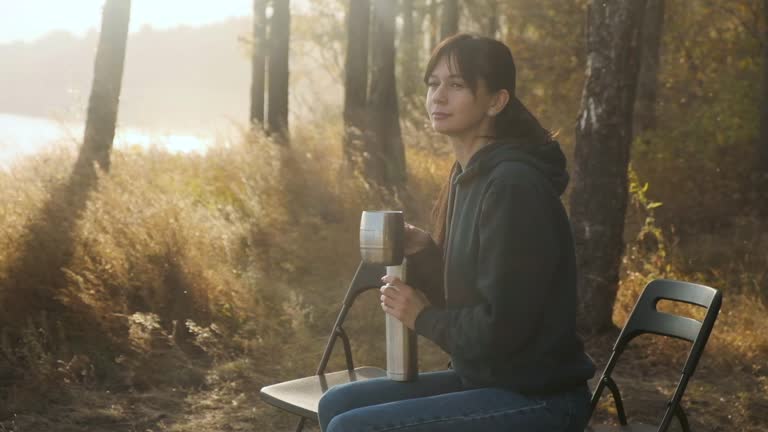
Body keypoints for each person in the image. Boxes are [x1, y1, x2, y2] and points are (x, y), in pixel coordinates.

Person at [317, 33, 596, 432]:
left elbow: (502, 329)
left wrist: (424, 317)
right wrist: (427, 253)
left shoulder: (513, 187)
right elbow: (476, 295)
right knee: (338, 403)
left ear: (497, 101)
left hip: (540, 398)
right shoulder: (468, 176)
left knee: (352, 427)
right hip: (489, 379)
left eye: (457, 84)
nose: (438, 97)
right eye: (433, 83)